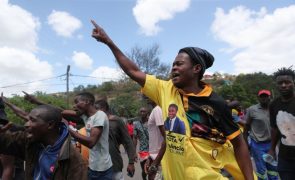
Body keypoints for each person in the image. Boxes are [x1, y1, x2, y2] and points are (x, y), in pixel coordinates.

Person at [90, 20, 255, 180]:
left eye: (179, 64)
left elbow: (239, 144)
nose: (174, 67)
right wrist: (109, 42)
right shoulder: (165, 89)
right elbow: (133, 71)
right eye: (173, 64)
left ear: (196, 69)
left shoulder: (215, 103)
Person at [0, 103, 87, 180]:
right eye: (28, 120)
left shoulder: (75, 163)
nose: (26, 124)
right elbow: (5, 143)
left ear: (50, 125)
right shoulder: (30, 140)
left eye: (32, 120)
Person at [62, 92, 113, 180]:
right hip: (92, 166)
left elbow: (91, 142)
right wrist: (37, 102)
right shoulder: (86, 117)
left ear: (87, 101)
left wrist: (68, 128)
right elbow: (62, 111)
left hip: (102, 170)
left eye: (77, 102)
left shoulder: (100, 115)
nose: (75, 106)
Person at [94, 99, 136, 180]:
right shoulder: (94, 121)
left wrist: (131, 162)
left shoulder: (116, 121)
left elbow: (128, 142)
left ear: (103, 108)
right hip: (98, 166)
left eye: (96, 109)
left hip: (114, 164)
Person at [268, 67, 295, 180]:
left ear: (293, 82)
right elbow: (275, 128)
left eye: (287, 82)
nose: (283, 85)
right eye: (280, 83)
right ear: (276, 85)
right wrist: (272, 149)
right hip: (285, 157)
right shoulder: (273, 105)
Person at [244, 90, 278, 180]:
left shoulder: (274, 109)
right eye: (262, 96)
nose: (264, 98)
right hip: (258, 145)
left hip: (271, 144)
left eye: (266, 96)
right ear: (258, 98)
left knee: (273, 168)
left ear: (270, 97)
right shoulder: (252, 109)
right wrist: (245, 143)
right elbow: (246, 127)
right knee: (261, 170)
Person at [145, 99, 165, 180]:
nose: (145, 95)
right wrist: (150, 157)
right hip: (155, 157)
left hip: (159, 159)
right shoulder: (155, 110)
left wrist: (155, 163)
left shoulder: (157, 110)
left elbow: (166, 137)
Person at [133, 107, 149, 180]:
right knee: (144, 170)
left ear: (147, 112)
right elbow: (135, 137)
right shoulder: (136, 124)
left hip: (153, 150)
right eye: (141, 111)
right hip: (143, 150)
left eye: (144, 111)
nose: (142, 113)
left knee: (152, 169)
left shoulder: (151, 122)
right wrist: (134, 152)